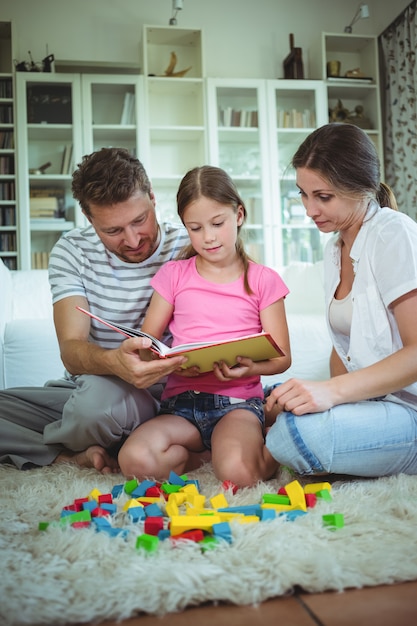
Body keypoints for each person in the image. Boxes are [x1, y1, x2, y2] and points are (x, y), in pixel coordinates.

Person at [0, 147, 192, 473]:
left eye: (139, 220)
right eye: (113, 231)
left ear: (152, 198)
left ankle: (85, 439)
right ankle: (72, 455)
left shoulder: (187, 244)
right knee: (95, 403)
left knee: (96, 410)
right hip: (96, 388)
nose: (132, 240)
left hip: (170, 396)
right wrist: (114, 363)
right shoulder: (72, 250)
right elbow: (72, 351)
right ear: (89, 220)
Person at [117, 165, 291, 487]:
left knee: (239, 475)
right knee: (133, 460)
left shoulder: (264, 280)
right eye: (195, 228)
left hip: (238, 404)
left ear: (238, 214)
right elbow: (148, 344)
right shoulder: (174, 275)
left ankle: (269, 434)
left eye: (217, 223)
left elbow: (282, 358)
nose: (208, 237)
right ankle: (204, 458)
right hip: (181, 405)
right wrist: (166, 363)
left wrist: (247, 368)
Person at [264, 123, 417, 478]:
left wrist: (331, 395)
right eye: (303, 194)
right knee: (264, 399)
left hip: (408, 411)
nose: (309, 209)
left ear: (360, 188)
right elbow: (342, 348)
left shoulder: (393, 234)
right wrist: (327, 399)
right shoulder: (335, 249)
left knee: (292, 433)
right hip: (373, 405)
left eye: (323, 196)